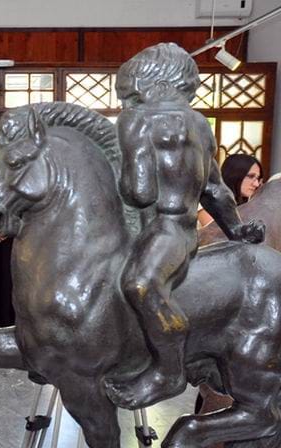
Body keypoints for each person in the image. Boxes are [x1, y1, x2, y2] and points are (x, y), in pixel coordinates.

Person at [105, 42, 264, 409]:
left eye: (128, 95)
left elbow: (139, 191)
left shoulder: (135, 120)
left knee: (139, 284)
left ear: (150, 84)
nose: (126, 102)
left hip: (156, 230)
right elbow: (216, 190)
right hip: (183, 232)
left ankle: (169, 370)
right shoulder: (200, 123)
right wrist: (237, 230)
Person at [199, 153, 263, 227]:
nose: (256, 184)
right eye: (251, 176)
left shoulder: (245, 203)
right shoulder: (208, 198)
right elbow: (217, 231)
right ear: (234, 174)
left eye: (258, 178)